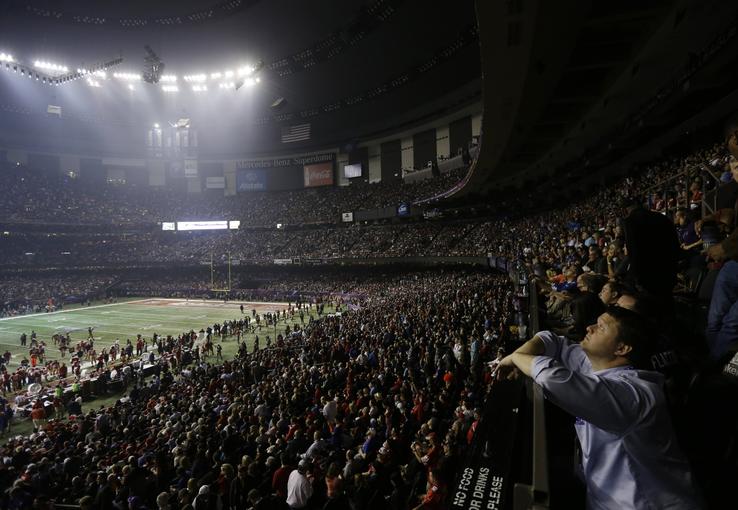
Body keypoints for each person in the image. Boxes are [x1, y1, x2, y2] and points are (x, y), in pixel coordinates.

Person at [497, 306, 702, 509]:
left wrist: (515, 358)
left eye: (601, 327)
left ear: (621, 348)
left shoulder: (634, 395)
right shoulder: (598, 364)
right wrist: (520, 353)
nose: (589, 327)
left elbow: (552, 378)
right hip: (602, 496)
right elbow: (553, 341)